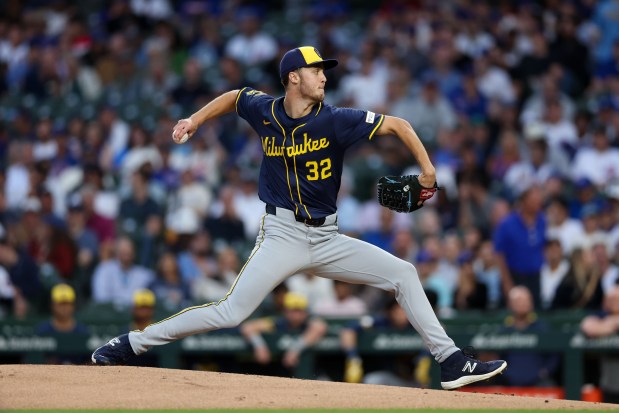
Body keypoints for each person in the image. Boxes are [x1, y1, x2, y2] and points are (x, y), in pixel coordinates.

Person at [92, 46, 506, 390]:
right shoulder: (265, 110)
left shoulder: (335, 120)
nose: (324, 77)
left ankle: (450, 361)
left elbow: (397, 124)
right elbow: (234, 96)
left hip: (328, 237)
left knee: (404, 273)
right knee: (231, 312)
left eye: (324, 72)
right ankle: (134, 342)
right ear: (293, 77)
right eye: (316, 70)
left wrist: (428, 169)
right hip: (282, 234)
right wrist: (195, 120)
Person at [239, 292, 327, 374]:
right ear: (285, 311)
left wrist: (294, 350)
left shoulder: (309, 322)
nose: (296, 315)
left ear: (305, 312)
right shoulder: (279, 323)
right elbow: (248, 327)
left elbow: (320, 327)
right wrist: (260, 346)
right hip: (276, 369)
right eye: (293, 310)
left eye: (299, 310)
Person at [580, 285, 619, 403]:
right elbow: (587, 326)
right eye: (611, 299)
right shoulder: (602, 315)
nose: (614, 303)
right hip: (608, 384)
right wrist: (612, 325)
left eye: (617, 299)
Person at [35, 284, 90, 364]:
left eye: (67, 303)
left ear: (73, 305)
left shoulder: (83, 331)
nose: (64, 307)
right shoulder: (42, 331)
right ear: (52, 305)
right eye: (61, 303)